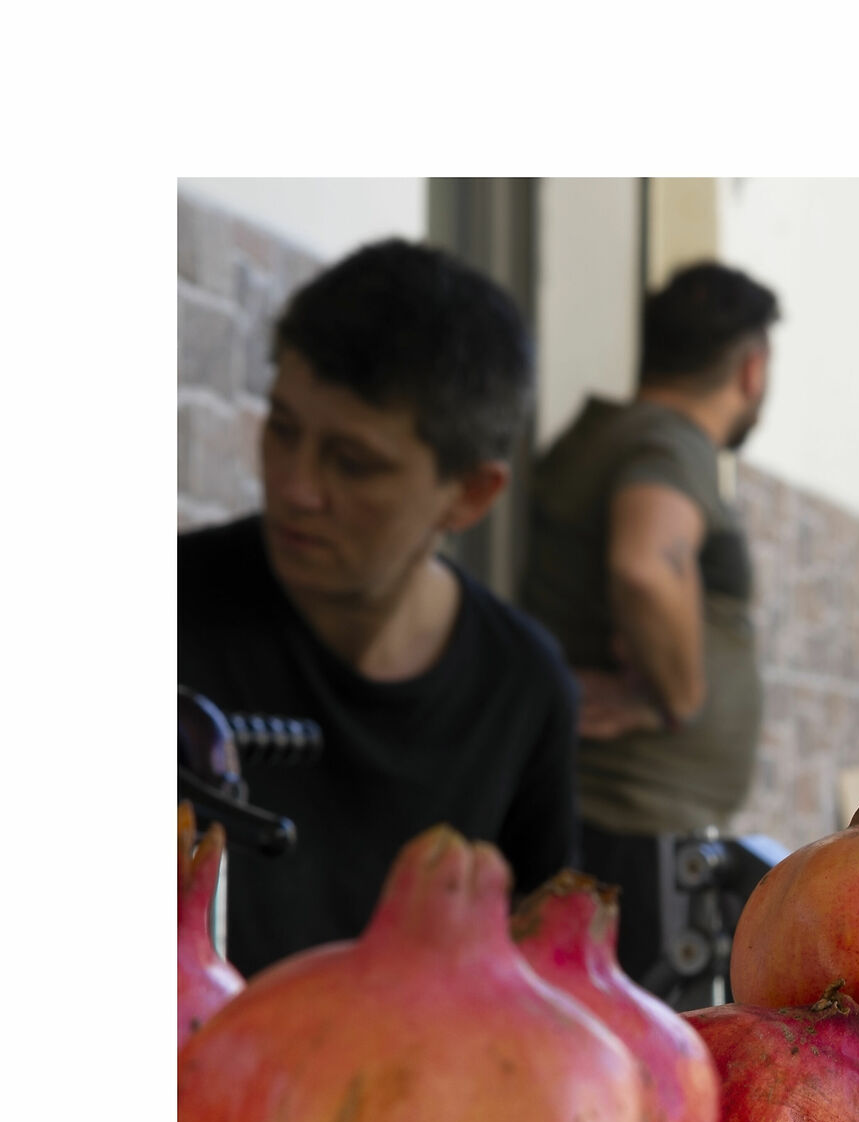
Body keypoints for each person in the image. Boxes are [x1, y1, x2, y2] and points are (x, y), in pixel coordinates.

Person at [179, 240, 577, 977]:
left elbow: (544, 985)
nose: (295, 486)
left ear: (471, 494)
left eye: (353, 462)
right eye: (283, 428)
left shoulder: (524, 689)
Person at [519, 263, 779, 996]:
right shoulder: (669, 442)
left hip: (618, 827)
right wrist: (680, 698)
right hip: (633, 835)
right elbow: (645, 564)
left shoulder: (612, 434)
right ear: (752, 369)